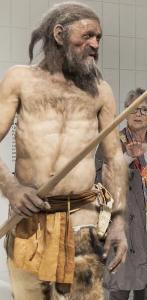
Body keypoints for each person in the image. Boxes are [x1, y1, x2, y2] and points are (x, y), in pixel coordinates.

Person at [0, 2, 128, 299]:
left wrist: (119, 223)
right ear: (59, 34)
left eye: (99, 38)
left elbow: (114, 159)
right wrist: (13, 189)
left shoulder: (101, 90)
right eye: (88, 36)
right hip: (29, 220)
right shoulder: (20, 79)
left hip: (83, 219)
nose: (95, 44)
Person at [97, 89, 147, 300]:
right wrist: (125, 158)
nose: (138, 113)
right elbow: (100, 185)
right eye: (133, 108)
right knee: (119, 293)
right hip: (125, 235)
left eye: (144, 109)